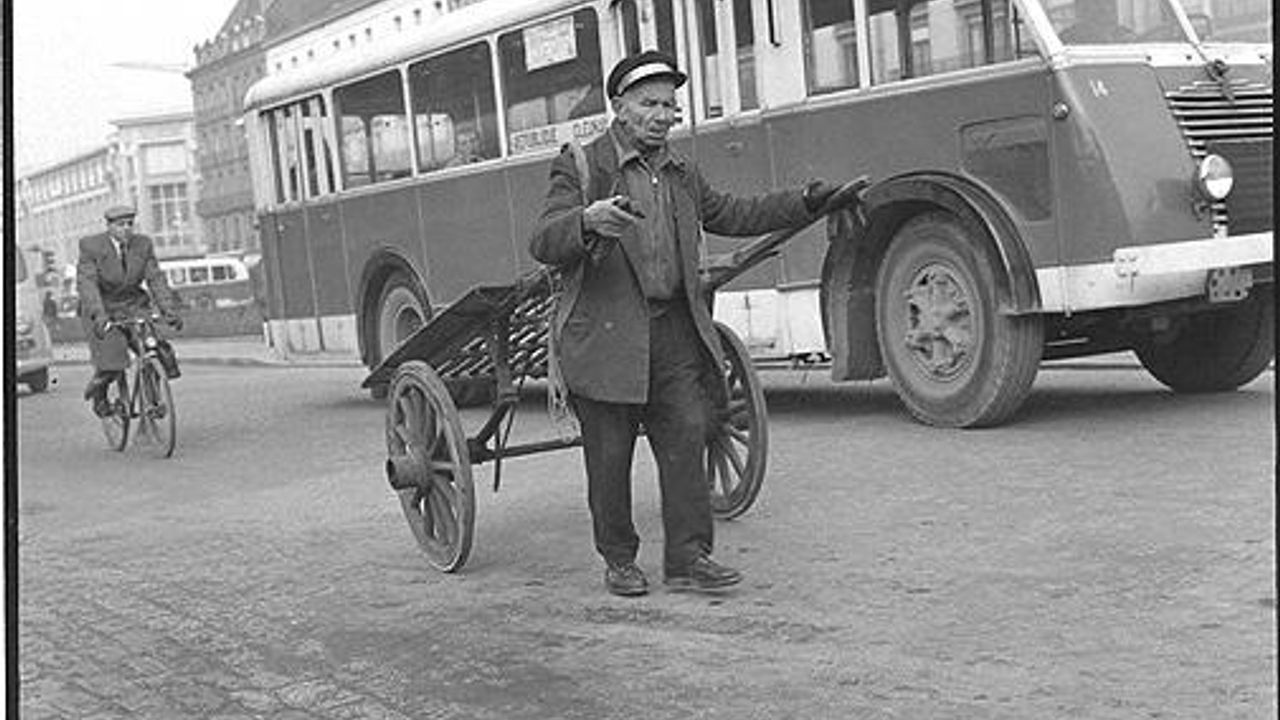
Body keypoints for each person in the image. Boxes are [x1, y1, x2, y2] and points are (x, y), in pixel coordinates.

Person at [529, 51, 839, 597]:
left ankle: (689, 557)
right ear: (619, 109)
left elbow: (734, 214)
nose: (662, 114)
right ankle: (620, 560)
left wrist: (807, 201)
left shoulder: (680, 171)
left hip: (672, 331)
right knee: (609, 458)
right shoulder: (582, 165)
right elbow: (544, 240)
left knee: (687, 434)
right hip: (604, 338)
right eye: (649, 104)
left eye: (670, 105)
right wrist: (585, 220)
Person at [77, 205, 183, 416]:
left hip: (133, 305)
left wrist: (169, 310)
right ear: (109, 227)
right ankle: (99, 394)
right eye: (120, 225)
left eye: (129, 224)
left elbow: (155, 279)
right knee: (112, 360)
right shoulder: (91, 246)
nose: (126, 229)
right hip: (101, 307)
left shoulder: (142, 244)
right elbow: (87, 284)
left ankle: (153, 399)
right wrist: (100, 315)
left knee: (154, 347)